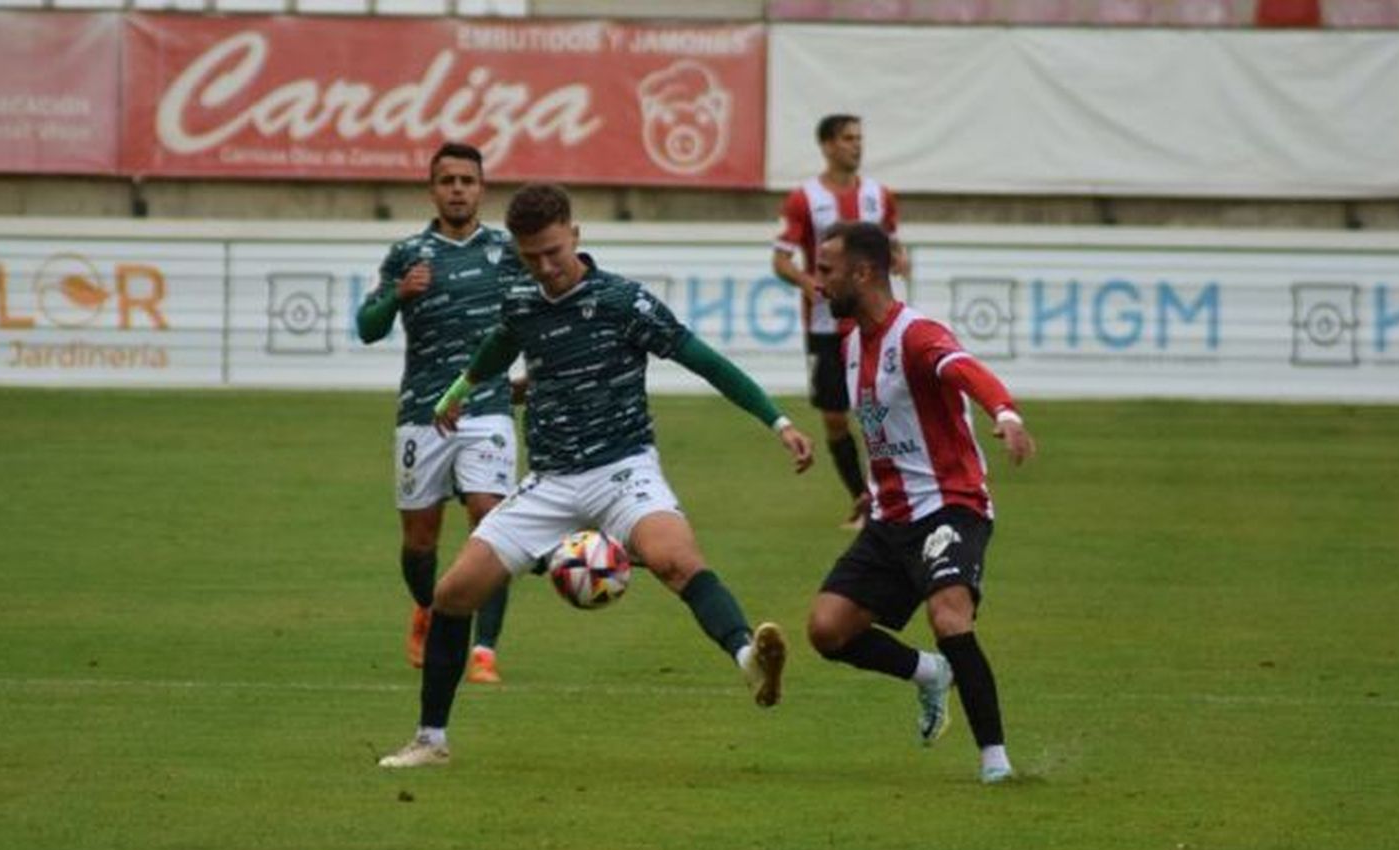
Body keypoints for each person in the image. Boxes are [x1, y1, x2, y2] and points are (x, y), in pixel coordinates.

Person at [379, 183, 815, 768]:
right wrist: (459, 391)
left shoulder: (623, 301)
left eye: (553, 251)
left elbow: (705, 361)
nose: (544, 267)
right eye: (531, 257)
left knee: (676, 560)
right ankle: (431, 740)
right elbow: (499, 346)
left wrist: (778, 421)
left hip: (622, 470)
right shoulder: (522, 300)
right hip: (550, 482)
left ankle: (750, 660)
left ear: (576, 235)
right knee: (453, 595)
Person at [804, 221, 1035, 785]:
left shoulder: (916, 335)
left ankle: (996, 762)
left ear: (863, 273)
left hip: (950, 504)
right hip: (891, 519)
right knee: (827, 630)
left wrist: (1005, 413)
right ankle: (930, 674)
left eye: (827, 270)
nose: (817, 282)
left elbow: (964, 369)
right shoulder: (850, 342)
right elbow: (883, 431)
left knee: (948, 615)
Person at [355, 142, 521, 685]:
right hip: (422, 413)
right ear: (432, 190)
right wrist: (399, 295)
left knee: (493, 522)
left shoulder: (507, 251)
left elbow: (538, 311)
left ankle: (484, 650)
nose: (457, 190)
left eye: (467, 181)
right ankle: (428, 609)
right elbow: (368, 327)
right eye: (448, 181)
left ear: (481, 189)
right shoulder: (408, 254)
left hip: (486, 407)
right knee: (421, 540)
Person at [772, 113, 910, 530]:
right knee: (834, 417)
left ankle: (888, 499)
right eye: (848, 138)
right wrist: (807, 281)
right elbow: (781, 260)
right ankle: (861, 498)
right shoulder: (804, 198)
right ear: (828, 145)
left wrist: (899, 259)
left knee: (876, 412)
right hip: (825, 325)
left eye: (859, 138)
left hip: (873, 322)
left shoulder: (879, 196)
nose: (857, 145)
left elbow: (892, 245)